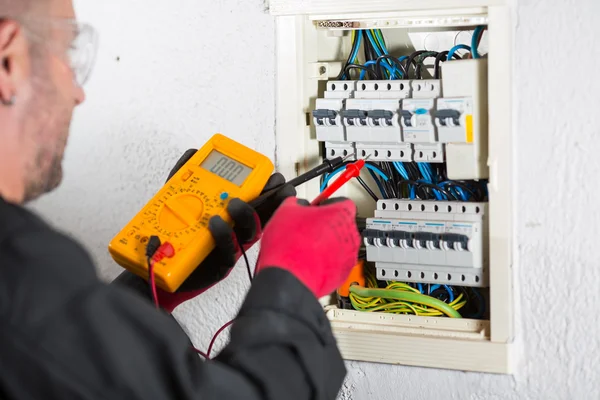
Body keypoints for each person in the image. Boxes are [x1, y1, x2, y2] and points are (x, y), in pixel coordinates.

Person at [0, 0, 361, 399]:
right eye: (69, 54)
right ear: (9, 59)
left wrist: (149, 290)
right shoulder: (18, 274)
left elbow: (58, 363)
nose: (77, 93)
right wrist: (292, 281)